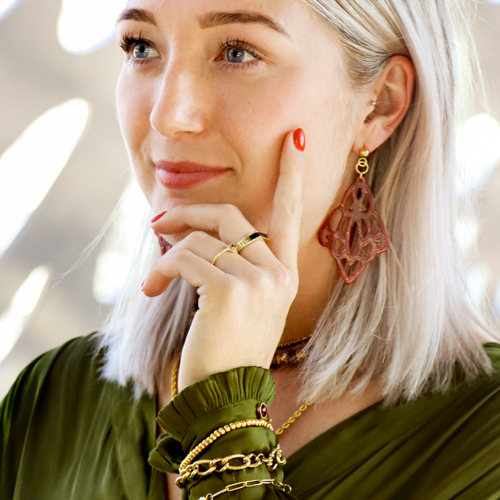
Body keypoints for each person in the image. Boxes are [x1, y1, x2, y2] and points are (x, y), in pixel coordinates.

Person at [2, 0, 500, 498]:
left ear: (380, 103)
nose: (168, 116)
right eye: (142, 47)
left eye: (237, 53)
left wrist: (223, 417)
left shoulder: (484, 437)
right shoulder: (49, 399)